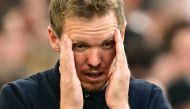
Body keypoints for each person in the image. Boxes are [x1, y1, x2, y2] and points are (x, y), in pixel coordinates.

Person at [0, 0, 171, 109]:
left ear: (122, 35)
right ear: (54, 38)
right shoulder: (19, 97)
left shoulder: (148, 98)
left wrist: (120, 105)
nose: (95, 61)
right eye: (80, 46)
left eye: (107, 44)